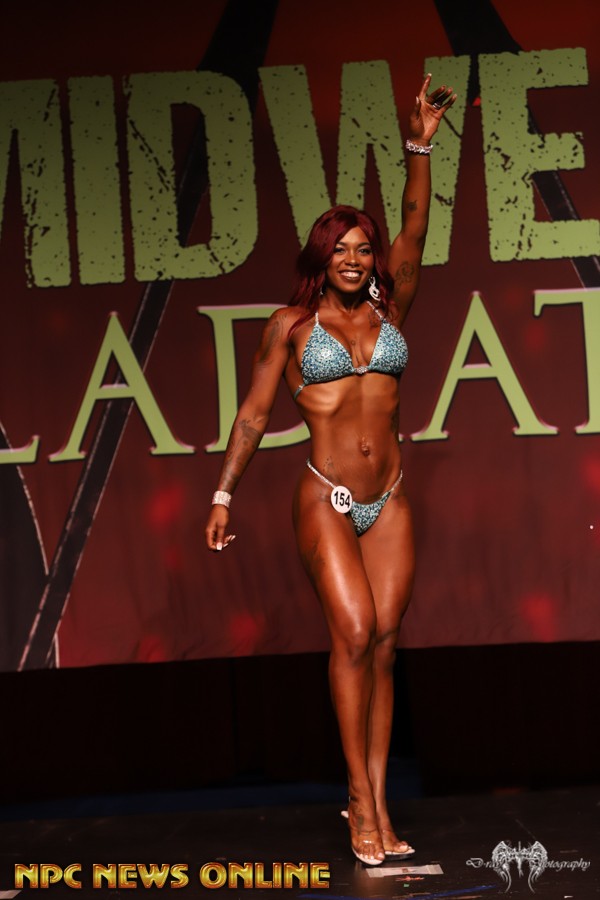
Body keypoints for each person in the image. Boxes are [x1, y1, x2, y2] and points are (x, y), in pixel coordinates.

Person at [205, 74, 456, 865]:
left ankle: (379, 801)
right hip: (327, 499)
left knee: (384, 644)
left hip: (391, 497)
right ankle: (356, 799)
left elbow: (416, 223)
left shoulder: (391, 309)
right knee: (351, 632)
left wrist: (419, 145)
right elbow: (254, 415)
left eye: (363, 249)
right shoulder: (290, 326)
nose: (354, 259)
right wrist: (223, 492)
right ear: (322, 257)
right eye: (340, 249)